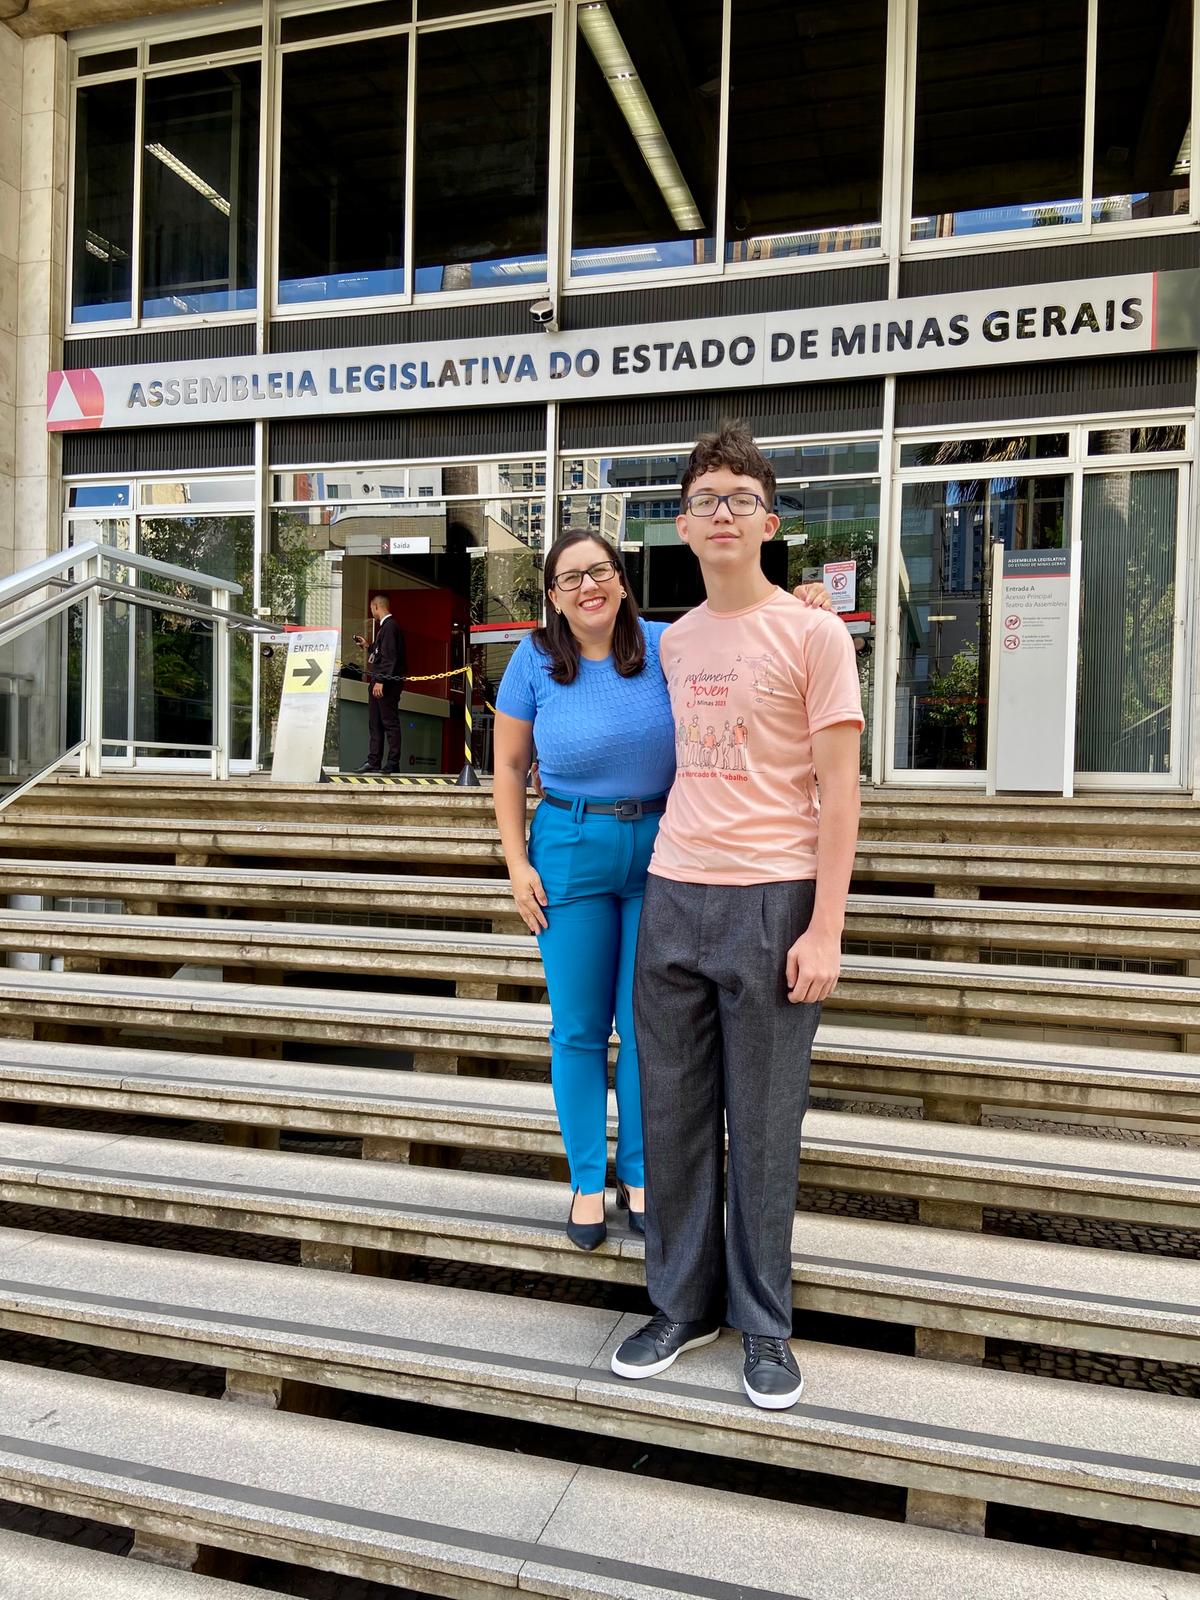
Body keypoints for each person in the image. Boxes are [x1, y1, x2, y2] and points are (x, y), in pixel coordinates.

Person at [610, 421, 864, 1411]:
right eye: (705, 499)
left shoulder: (813, 632)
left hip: (775, 894)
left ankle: (764, 1322)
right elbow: (576, 644)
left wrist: (827, 925)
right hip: (675, 890)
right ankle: (680, 1302)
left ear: (766, 520)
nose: (722, 513)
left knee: (763, 1123)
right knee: (670, 1110)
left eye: (740, 499)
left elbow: (840, 792)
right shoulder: (673, 642)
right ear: (682, 524)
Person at [494, 529, 835, 1251]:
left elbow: (743, 626)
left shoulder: (666, 645)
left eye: (600, 571)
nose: (587, 587)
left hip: (663, 848)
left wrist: (808, 605)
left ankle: (643, 1173)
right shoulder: (532, 659)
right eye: (568, 578)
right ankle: (588, 1180)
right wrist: (516, 862)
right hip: (570, 848)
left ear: (622, 579)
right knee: (579, 1029)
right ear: (552, 596)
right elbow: (508, 767)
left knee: (651, 1028)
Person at [354, 594, 406, 774]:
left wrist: (381, 680)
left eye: (371, 608)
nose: (372, 612)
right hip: (379, 681)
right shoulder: (385, 628)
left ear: (376, 606)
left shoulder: (390, 627)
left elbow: (389, 657)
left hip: (387, 684)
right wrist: (368, 646)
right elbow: (380, 652)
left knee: (389, 722)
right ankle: (373, 761)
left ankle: (393, 762)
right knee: (375, 722)